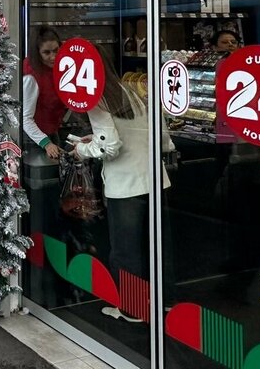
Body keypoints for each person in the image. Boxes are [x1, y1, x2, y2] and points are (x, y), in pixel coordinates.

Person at [71, 54, 176, 322]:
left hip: (125, 185)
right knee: (157, 244)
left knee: (126, 249)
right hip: (155, 177)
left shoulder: (97, 99)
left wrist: (83, 148)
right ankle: (164, 299)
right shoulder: (132, 89)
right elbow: (161, 135)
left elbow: (110, 146)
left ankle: (132, 309)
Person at [22, 28, 67, 160]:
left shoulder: (56, 68)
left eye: (56, 50)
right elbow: (25, 119)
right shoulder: (31, 78)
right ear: (37, 53)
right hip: (34, 139)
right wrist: (46, 143)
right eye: (46, 52)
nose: (53, 56)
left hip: (51, 131)